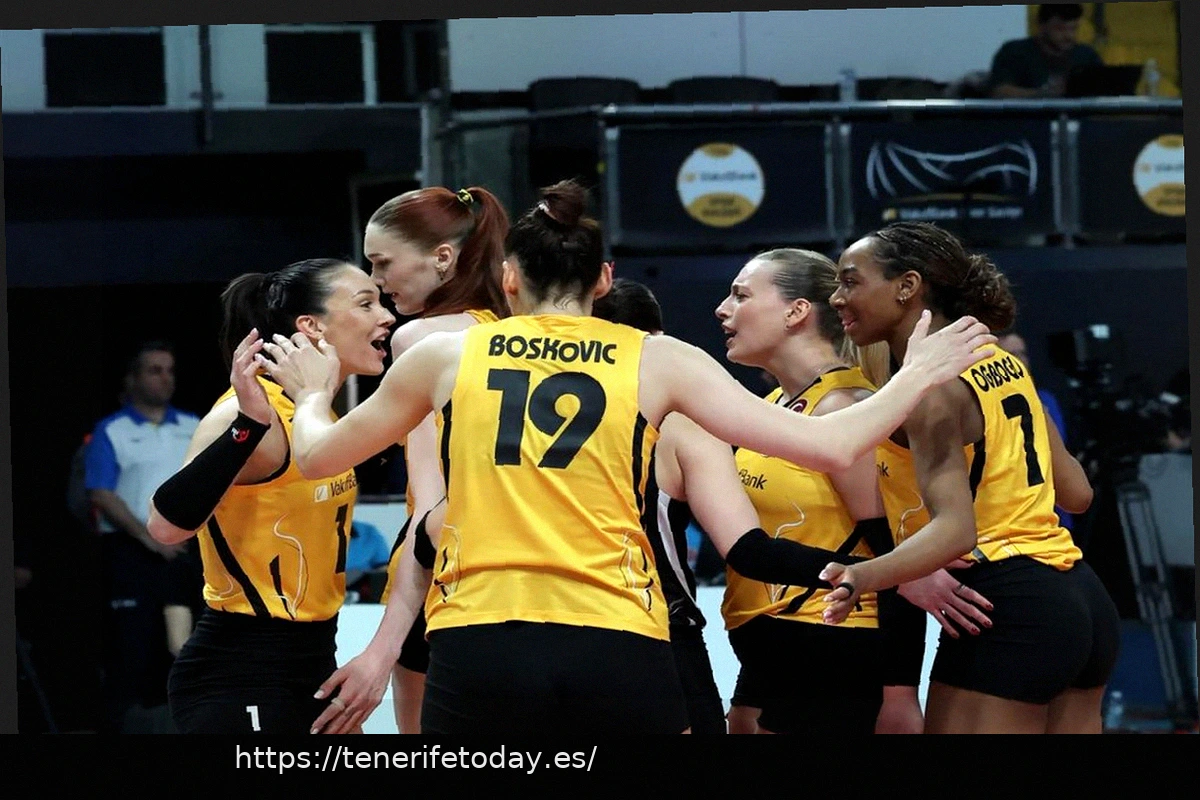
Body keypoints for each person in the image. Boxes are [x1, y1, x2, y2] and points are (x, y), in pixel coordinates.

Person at [258, 180, 995, 736]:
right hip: (616, 632)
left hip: (482, 635)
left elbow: (318, 456)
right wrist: (915, 374)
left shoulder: (443, 355)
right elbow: (835, 443)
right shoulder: (659, 358)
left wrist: (316, 394)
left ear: (509, 278)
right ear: (604, 280)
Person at [822, 221, 1120, 734]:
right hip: (1082, 598)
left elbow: (957, 531)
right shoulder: (1003, 361)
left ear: (907, 286)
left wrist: (863, 575)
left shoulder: (930, 389)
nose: (837, 297)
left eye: (851, 281)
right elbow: (1076, 492)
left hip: (1007, 602)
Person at [714, 248, 994, 735]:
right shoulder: (775, 403)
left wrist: (900, 692)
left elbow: (895, 556)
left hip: (830, 642)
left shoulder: (846, 407)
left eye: (740, 296)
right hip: (772, 644)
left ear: (797, 312)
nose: (723, 309)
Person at [146, 258, 396, 734]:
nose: (385, 316)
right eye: (366, 304)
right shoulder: (251, 412)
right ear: (311, 326)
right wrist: (249, 425)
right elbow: (164, 524)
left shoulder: (317, 414)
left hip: (314, 663)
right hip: (242, 672)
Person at [358, 184, 510, 734]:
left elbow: (430, 495)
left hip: (443, 565)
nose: (376, 279)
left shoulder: (421, 338)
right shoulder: (518, 328)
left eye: (382, 262)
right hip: (525, 569)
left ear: (442, 257)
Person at [85, 341, 200, 733]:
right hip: (133, 552)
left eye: (169, 370)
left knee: (186, 645)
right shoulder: (112, 430)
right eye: (154, 370)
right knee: (131, 645)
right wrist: (150, 538)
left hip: (187, 553)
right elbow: (101, 493)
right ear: (132, 379)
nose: (165, 378)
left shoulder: (193, 425)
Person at [997, 330, 1074, 531]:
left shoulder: (1045, 400)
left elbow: (1057, 451)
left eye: (1023, 354)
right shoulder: (986, 408)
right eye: (1012, 355)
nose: (1020, 361)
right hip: (1014, 517)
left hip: (1054, 512)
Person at [988, 4, 1102, 99]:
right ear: (1041, 26)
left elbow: (1104, 90)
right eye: (1060, 29)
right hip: (1031, 117)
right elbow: (999, 92)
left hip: (1080, 118)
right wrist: (1043, 94)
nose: (1069, 35)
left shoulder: (1086, 55)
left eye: (1073, 28)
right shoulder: (1015, 52)